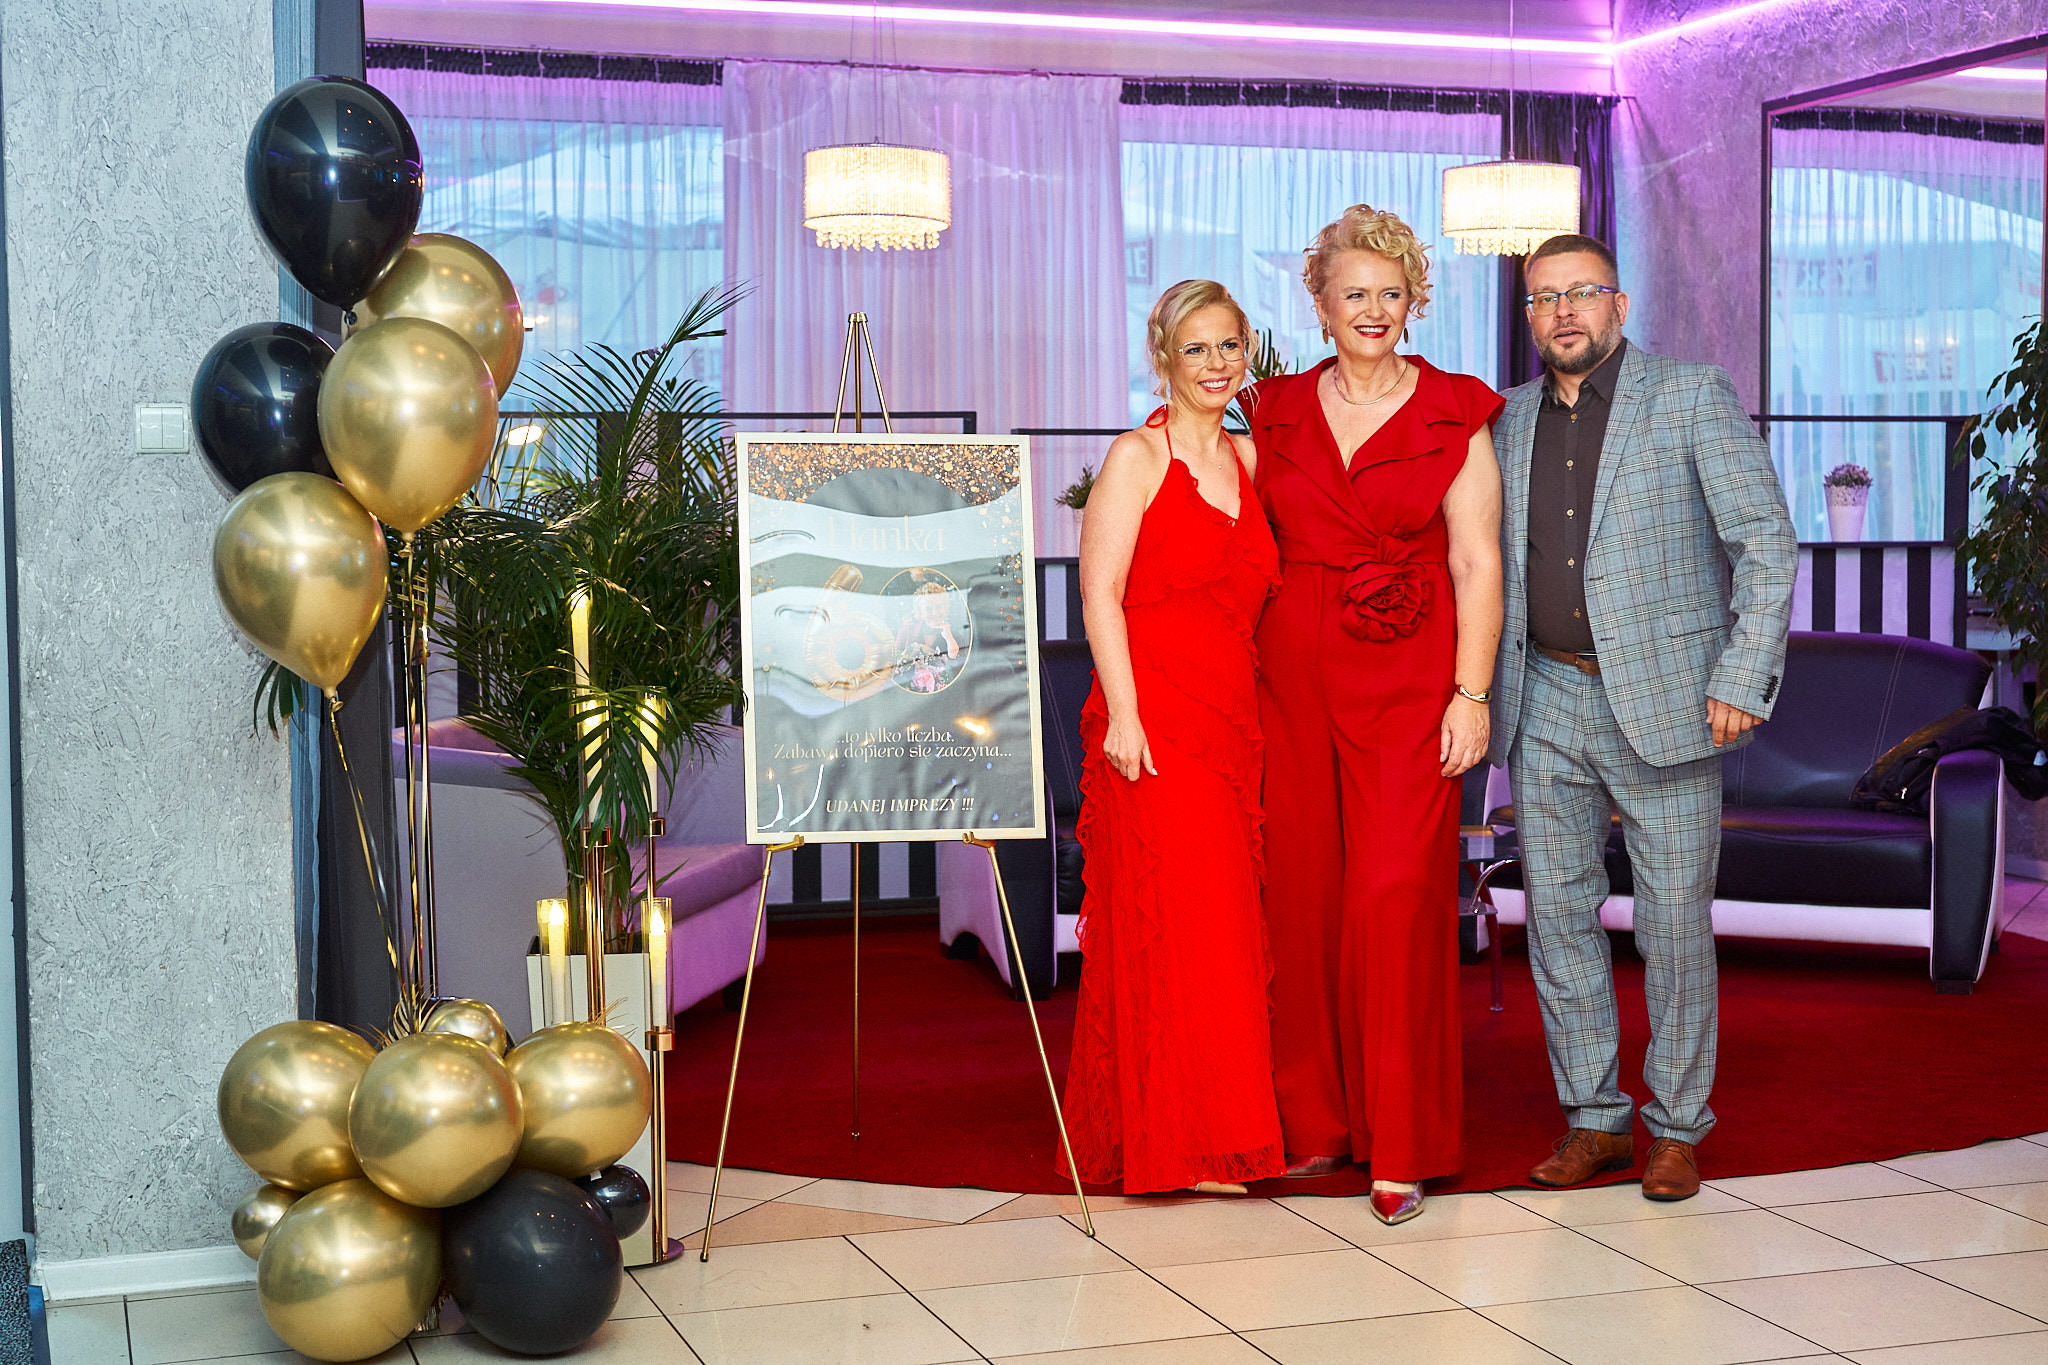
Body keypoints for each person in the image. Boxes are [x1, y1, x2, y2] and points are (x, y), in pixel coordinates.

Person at [1489, 233, 1795, 1202]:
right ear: (1528, 317)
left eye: (1580, 292)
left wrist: (1741, 676)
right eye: (1543, 298)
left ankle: (1675, 1128)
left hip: (1671, 700)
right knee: (1557, 921)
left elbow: (1765, 542)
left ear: (1617, 304)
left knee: (1671, 925)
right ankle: (1594, 1119)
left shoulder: (1690, 395)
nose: (1562, 312)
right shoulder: (1504, 419)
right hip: (1541, 696)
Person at [1247, 205, 1503, 1226]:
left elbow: (1476, 561)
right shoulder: (1270, 408)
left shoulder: (1453, 409)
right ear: (1318, 303)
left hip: (1410, 676)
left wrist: (1470, 694)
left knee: (1392, 898)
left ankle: (1400, 1141)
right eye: (1352, 292)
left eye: (1390, 293)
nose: (1372, 310)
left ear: (1413, 302)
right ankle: (1314, 1123)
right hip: (1289, 677)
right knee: (1303, 896)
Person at [1057, 280, 1287, 1195]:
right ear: (1163, 356)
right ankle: (1173, 1139)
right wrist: (1123, 714)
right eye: (1196, 348)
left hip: (1234, 719)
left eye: (1229, 346)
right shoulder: (1135, 456)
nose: (1216, 364)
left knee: (1222, 926)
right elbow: (1099, 594)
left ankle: (1215, 1129)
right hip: (1152, 719)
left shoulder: (1252, 459)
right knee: (1172, 923)